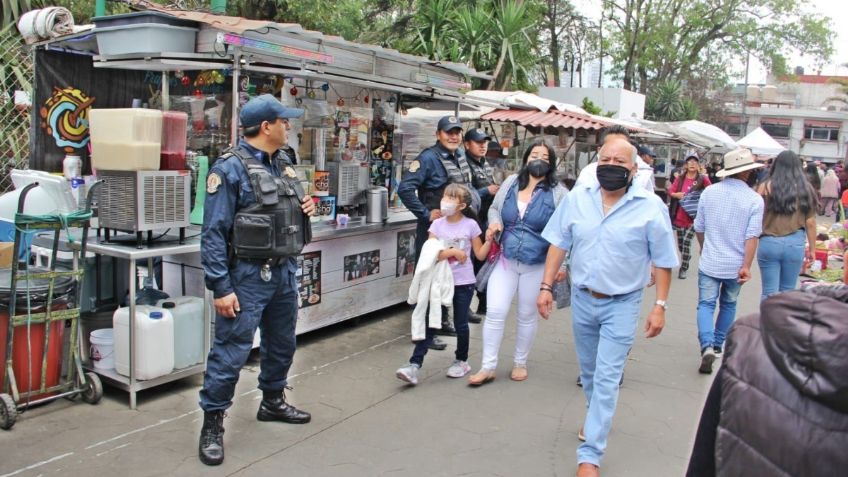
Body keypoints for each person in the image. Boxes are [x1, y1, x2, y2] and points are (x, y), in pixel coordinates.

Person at [538, 137, 678, 477]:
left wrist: (660, 305)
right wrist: (546, 285)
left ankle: (590, 455)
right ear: (596, 162)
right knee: (588, 373)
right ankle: (595, 416)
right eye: (606, 158)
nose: (611, 165)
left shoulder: (650, 206)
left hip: (623, 303)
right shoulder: (577, 199)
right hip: (583, 299)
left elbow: (663, 261)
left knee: (607, 377)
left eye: (620, 160)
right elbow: (559, 242)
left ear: (633, 169)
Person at [198, 94, 316, 466]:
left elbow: (287, 209)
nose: (289, 127)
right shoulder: (229, 169)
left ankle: (273, 401)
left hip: (283, 271)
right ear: (266, 127)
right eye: (284, 121)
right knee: (231, 351)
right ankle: (212, 424)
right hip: (247, 275)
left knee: (282, 343)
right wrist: (221, 286)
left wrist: (306, 207)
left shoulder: (284, 163)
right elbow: (213, 233)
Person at [686, 286, 848, 477]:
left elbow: (703, 462)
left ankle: (710, 344)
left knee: (716, 301)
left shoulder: (750, 340)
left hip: (774, 335)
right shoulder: (749, 340)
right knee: (730, 301)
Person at [467, 140, 568, 385]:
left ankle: (520, 362)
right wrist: (494, 223)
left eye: (545, 156)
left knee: (526, 314)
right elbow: (494, 209)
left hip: (537, 264)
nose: (539, 159)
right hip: (506, 260)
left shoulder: (560, 192)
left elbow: (566, 231)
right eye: (535, 154)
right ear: (525, 159)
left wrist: (562, 267)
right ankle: (487, 366)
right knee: (495, 312)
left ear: (552, 163)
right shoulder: (511, 182)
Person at [395, 184, 492, 384]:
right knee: (432, 321)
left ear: (462, 205)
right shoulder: (437, 225)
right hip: (438, 281)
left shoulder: (471, 226)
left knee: (461, 324)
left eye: (451, 197)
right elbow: (430, 253)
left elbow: (480, 254)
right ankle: (414, 365)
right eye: (445, 195)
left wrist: (490, 239)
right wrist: (453, 253)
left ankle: (461, 360)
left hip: (463, 283)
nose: (445, 200)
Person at [397, 115, 480, 349]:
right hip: (434, 230)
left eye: (457, 132)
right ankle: (423, 332)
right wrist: (425, 213)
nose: (453, 136)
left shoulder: (459, 156)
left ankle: (441, 321)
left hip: (455, 229)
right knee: (429, 277)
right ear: (438, 134)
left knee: (447, 276)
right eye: (448, 132)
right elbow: (405, 188)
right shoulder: (428, 158)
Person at [693, 148, 764, 375]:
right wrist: (746, 266)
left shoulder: (709, 192)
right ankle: (717, 344)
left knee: (705, 304)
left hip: (710, 261)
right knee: (729, 304)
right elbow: (751, 236)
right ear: (746, 173)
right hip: (735, 265)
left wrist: (705, 248)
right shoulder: (754, 199)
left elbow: (699, 227)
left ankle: (705, 345)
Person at [755, 150, 817, 301]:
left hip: (768, 242)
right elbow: (810, 222)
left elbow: (756, 216)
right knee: (788, 292)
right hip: (794, 243)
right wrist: (813, 250)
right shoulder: (806, 188)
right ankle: (783, 324)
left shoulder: (764, 187)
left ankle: (767, 323)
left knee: (768, 292)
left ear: (776, 165)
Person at [464, 128, 500, 323]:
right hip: (472, 222)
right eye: (478, 142)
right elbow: (466, 193)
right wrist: (487, 190)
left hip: (486, 221)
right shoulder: (464, 164)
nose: (483, 145)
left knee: (485, 262)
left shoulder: (485, 164)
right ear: (467, 144)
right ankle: (468, 307)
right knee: (472, 264)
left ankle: (484, 302)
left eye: (484, 142)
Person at [669, 155, 712, 280]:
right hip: (680, 216)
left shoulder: (702, 179)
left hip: (695, 217)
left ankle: (684, 267)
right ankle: (686, 257)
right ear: (686, 165)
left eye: (695, 162)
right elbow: (671, 191)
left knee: (687, 242)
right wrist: (676, 194)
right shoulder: (680, 179)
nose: (692, 164)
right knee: (682, 245)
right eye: (689, 162)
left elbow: (711, 192)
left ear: (698, 165)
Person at [574, 125, 631, 189]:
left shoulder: (639, 177)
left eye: (621, 147)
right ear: (599, 150)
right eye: (611, 147)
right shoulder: (588, 174)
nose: (612, 163)